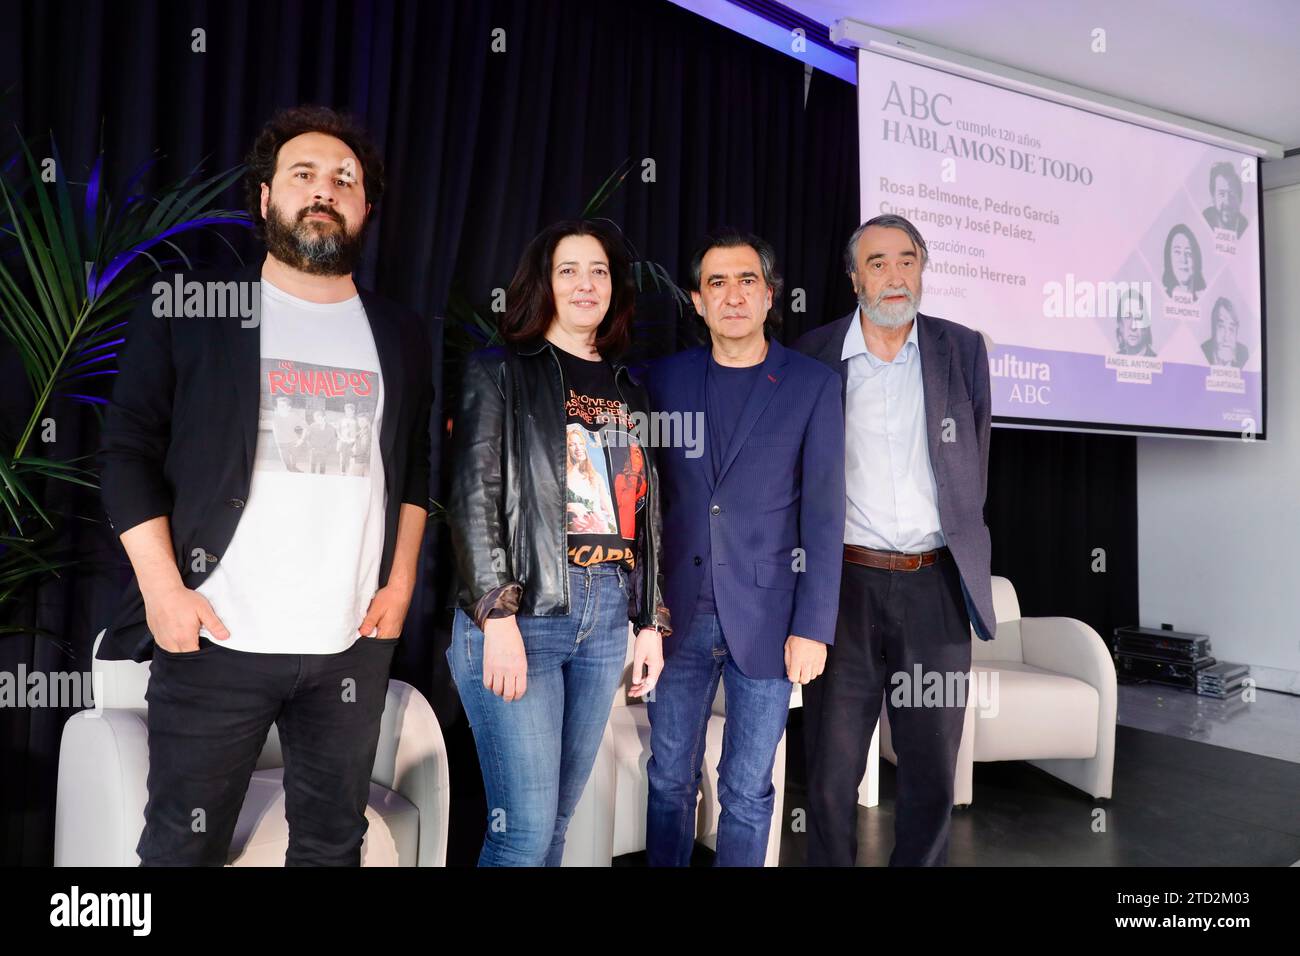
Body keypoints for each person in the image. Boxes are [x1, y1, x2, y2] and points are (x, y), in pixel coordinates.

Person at [98, 105, 433, 866]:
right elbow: (124, 452)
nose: (325, 189)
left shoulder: (402, 332)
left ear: (365, 207)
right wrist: (162, 592)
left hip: (350, 644)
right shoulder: (191, 307)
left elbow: (415, 468)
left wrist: (402, 583)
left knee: (330, 846)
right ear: (266, 198)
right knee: (182, 853)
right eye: (304, 175)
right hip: (216, 636)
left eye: (344, 179)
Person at [447, 219, 669, 866]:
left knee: (557, 826)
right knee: (520, 832)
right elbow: (472, 498)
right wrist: (497, 613)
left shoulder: (632, 390)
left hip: (604, 618)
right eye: (567, 269)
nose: (584, 283)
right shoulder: (499, 373)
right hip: (525, 612)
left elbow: (645, 513)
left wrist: (649, 621)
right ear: (542, 284)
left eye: (597, 270)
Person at [796, 213, 995, 867]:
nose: (894, 275)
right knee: (829, 774)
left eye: (907, 260)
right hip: (841, 588)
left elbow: (974, 459)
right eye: (877, 262)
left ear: (922, 269)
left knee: (933, 768)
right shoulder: (813, 355)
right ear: (854, 277)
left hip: (934, 587)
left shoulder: (961, 350)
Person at [642, 231, 845, 867]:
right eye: (717, 284)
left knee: (749, 791)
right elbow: (642, 502)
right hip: (677, 617)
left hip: (770, 619)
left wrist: (813, 626)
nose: (733, 295)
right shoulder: (660, 381)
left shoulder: (812, 385)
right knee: (669, 779)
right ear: (697, 302)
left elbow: (824, 512)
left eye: (747, 281)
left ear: (769, 296)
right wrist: (641, 613)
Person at [1202, 161, 1249, 238]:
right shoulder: (1202, 223)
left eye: (1232, 194)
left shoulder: (1247, 228)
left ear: (1240, 198)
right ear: (1213, 198)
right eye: (1221, 194)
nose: (1227, 202)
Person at [1161, 224, 1206, 301]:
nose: (1183, 259)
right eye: (1177, 252)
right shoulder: (1160, 300)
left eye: (1188, 253)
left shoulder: (1203, 302)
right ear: (1169, 258)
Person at [1201, 297, 1249, 368]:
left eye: (1231, 329)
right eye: (1221, 327)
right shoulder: (1202, 353)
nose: (1226, 337)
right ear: (1213, 328)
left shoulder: (1243, 354)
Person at [1115, 289, 1156, 356]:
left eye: (1138, 317)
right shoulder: (1114, 357)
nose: (1133, 327)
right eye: (1127, 317)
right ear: (1120, 325)